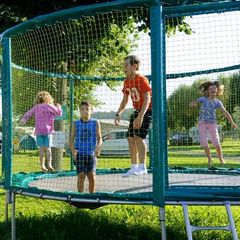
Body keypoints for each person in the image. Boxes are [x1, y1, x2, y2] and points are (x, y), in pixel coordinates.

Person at [115, 55, 152, 178]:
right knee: (130, 138)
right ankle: (134, 167)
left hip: (147, 110)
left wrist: (141, 116)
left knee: (138, 137)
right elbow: (125, 100)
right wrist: (118, 112)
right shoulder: (126, 81)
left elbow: (147, 99)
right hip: (137, 110)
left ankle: (142, 166)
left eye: (126, 65)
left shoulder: (141, 79)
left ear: (134, 66)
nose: (124, 68)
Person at [190, 81, 237, 167]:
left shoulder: (217, 102)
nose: (212, 90)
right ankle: (209, 158)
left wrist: (232, 122)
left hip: (212, 124)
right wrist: (193, 104)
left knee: (216, 142)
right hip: (202, 123)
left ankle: (221, 158)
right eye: (210, 88)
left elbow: (225, 112)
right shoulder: (203, 99)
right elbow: (193, 103)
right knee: (204, 142)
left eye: (214, 88)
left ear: (217, 90)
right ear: (207, 90)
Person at [21, 91, 62, 172]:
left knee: (41, 149)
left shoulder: (36, 107)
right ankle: (49, 164)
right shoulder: (49, 106)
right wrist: (59, 107)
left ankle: (42, 165)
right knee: (48, 148)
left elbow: (28, 113)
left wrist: (23, 119)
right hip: (47, 131)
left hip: (39, 131)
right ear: (48, 98)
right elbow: (58, 113)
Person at [69, 101, 102, 193]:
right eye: (82, 109)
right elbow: (71, 140)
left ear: (91, 110)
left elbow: (100, 139)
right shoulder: (76, 124)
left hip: (91, 155)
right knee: (81, 176)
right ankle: (80, 197)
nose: (85, 111)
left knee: (91, 176)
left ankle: (92, 197)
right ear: (79, 111)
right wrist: (73, 151)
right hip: (79, 154)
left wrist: (98, 147)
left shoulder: (95, 123)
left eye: (87, 109)